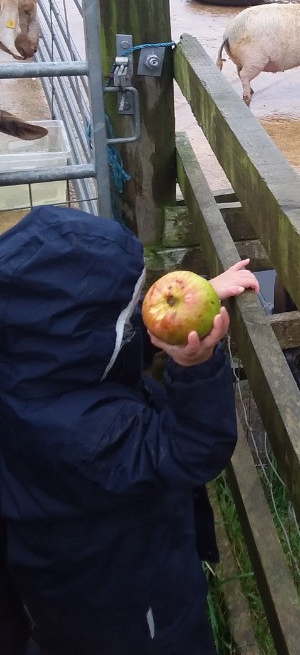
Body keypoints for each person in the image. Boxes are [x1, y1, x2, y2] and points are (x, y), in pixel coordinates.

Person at [0, 204, 259, 655]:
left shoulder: (28, 363)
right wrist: (196, 366)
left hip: (57, 581)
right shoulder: (85, 433)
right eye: (130, 307)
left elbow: (95, 345)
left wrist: (202, 295)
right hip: (131, 606)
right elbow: (191, 449)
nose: (141, 310)